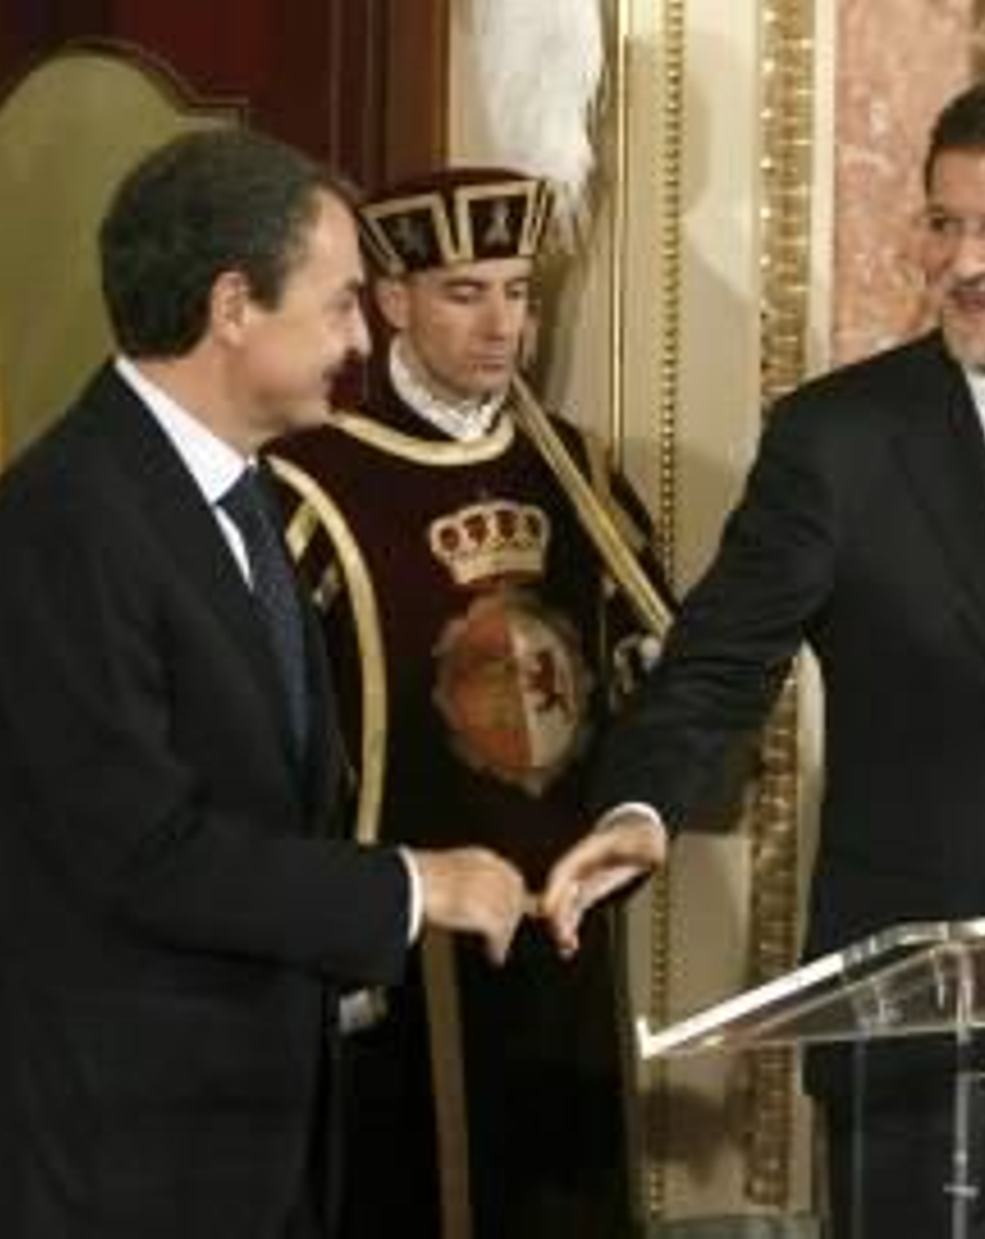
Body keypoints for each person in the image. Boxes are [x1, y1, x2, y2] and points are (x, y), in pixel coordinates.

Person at [544, 80, 985, 1237]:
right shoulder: (838, 439)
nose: (961, 260)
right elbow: (719, 663)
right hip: (917, 1027)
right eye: (942, 223)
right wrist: (642, 804)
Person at [0, 130, 529, 1239]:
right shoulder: (63, 520)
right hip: (98, 1162)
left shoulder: (242, 499)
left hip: (238, 1148)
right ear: (235, 304)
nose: (358, 337)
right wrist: (408, 888)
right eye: (341, 304)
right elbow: (138, 852)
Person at [267, 167, 660, 1238]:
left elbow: (646, 678)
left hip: (564, 922)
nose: (503, 326)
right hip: (403, 942)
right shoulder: (309, 480)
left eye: (519, 292)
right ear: (392, 301)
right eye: (465, 293)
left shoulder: (574, 467)